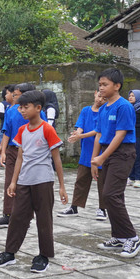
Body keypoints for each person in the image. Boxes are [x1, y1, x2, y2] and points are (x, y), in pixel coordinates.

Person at [0, 90, 67, 273]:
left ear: (38, 108)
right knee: (17, 217)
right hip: (24, 181)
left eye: (26, 107)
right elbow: (19, 158)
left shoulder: (47, 129)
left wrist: (62, 186)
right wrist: (13, 181)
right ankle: (9, 253)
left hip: (43, 181)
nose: (22, 111)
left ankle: (43, 256)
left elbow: (56, 159)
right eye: (20, 107)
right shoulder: (22, 130)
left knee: (44, 219)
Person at [91, 68, 140, 257]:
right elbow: (99, 134)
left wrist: (102, 157)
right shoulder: (104, 108)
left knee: (111, 194)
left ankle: (132, 238)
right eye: (100, 85)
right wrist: (94, 160)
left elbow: (120, 135)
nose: (101, 88)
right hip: (106, 153)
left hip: (122, 153)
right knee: (111, 196)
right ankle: (119, 236)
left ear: (117, 86)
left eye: (105, 85)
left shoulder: (124, 106)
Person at [0, 83, 46, 228]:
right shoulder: (11, 110)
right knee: (10, 182)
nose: (13, 97)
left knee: (28, 185)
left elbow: (44, 133)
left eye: (16, 95)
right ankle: (8, 214)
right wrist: (3, 151)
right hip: (13, 150)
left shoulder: (39, 112)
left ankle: (26, 216)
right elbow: (7, 132)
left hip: (31, 153)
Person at [58, 90, 107, 220]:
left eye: (103, 98)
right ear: (95, 94)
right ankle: (74, 207)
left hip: (101, 153)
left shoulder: (105, 112)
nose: (100, 99)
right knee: (81, 181)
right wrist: (77, 134)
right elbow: (80, 125)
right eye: (99, 96)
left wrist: (80, 135)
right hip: (86, 153)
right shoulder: (86, 110)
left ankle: (103, 209)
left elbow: (98, 131)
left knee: (102, 182)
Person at [127, 89, 140, 187]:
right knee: (130, 157)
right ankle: (131, 178)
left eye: (133, 95)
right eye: (130, 95)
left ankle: (138, 178)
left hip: (139, 136)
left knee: (138, 157)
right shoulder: (128, 108)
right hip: (130, 136)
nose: (130, 97)